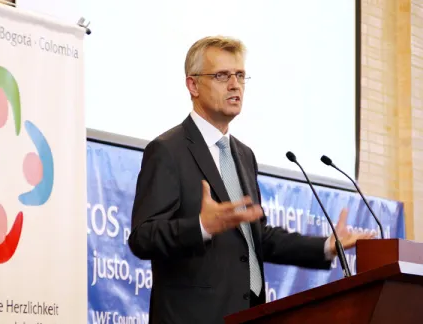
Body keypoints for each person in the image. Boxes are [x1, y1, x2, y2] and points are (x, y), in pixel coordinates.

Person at [127, 36, 373, 324]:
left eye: (240, 75)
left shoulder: (243, 155)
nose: (235, 85)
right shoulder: (168, 150)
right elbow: (143, 238)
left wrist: (327, 246)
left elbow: (257, 237)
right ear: (192, 85)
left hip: (248, 315)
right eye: (222, 75)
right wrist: (201, 226)